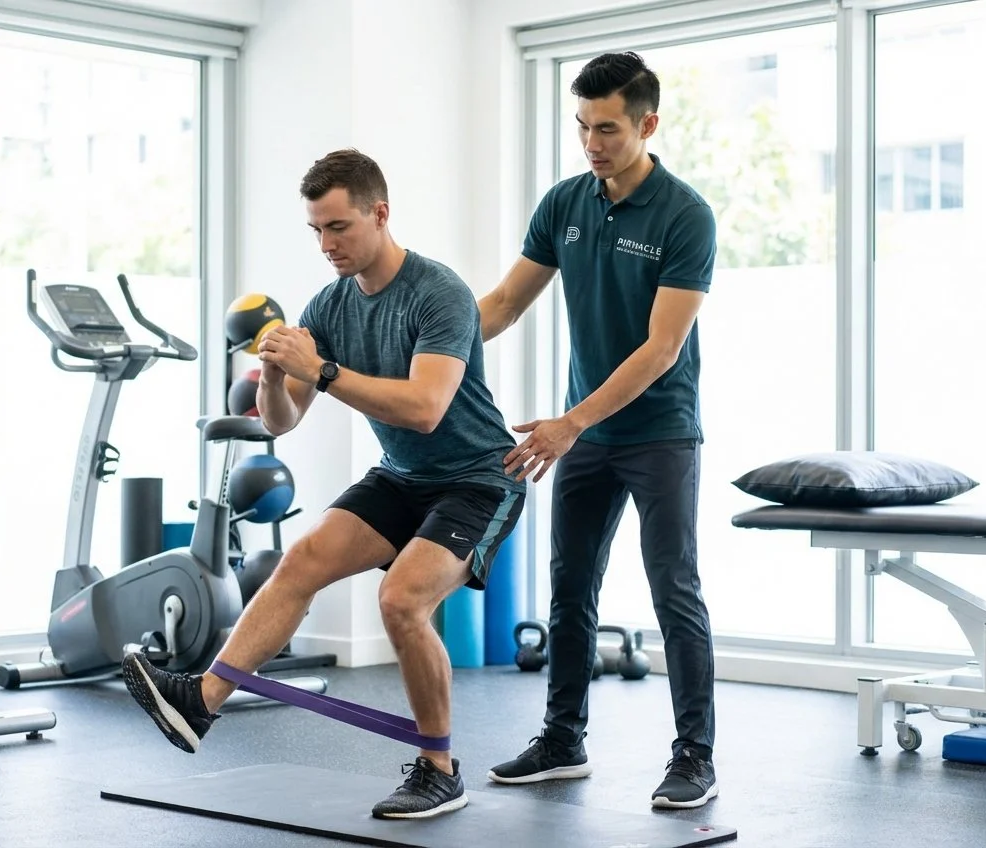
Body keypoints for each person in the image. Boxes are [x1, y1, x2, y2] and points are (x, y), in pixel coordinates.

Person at [120, 147, 527, 821]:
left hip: (478, 478)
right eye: (316, 229)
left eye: (338, 227)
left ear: (380, 213)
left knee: (400, 601)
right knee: (301, 561)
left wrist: (326, 371)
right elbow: (281, 423)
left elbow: (426, 410)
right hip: (401, 476)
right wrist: (278, 375)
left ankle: (438, 768)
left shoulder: (439, 293)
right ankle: (199, 705)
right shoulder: (330, 305)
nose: (326, 244)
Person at [478, 51, 719, 809]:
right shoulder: (564, 205)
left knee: (672, 588)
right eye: (582, 126)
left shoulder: (685, 215)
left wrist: (569, 424)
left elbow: (662, 348)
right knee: (569, 587)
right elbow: (505, 304)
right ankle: (562, 740)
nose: (592, 142)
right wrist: (423, 348)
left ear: (648, 124)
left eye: (608, 128)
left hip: (658, 433)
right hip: (582, 433)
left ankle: (693, 757)